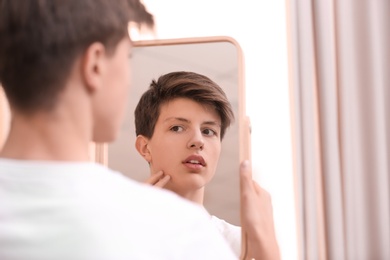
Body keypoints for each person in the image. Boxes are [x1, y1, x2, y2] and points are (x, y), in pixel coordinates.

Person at [0, 0, 279, 259]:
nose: (197, 141)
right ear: (95, 64)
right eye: (127, 58)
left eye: (209, 131)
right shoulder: (178, 233)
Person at [134, 71, 280, 259]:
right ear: (145, 147)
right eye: (177, 128)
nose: (197, 140)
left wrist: (267, 248)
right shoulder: (119, 234)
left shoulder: (239, 245)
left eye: (208, 131)